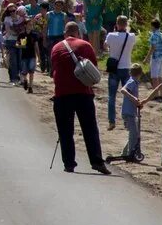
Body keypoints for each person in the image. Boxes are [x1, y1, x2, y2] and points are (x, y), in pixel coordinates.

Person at [49, 22, 109, 175]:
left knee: (65, 131)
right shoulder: (85, 45)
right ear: (78, 33)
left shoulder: (56, 48)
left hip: (62, 94)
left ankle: (69, 163)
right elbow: (93, 67)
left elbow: (53, 70)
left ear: (65, 33)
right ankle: (96, 161)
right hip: (83, 93)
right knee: (90, 129)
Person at [103, 15, 135, 131]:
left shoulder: (111, 35)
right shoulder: (131, 36)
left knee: (112, 96)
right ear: (126, 24)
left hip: (114, 68)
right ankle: (127, 120)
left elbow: (105, 46)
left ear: (116, 24)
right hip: (126, 67)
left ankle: (112, 121)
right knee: (127, 95)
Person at [118, 63, 144, 162]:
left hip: (131, 112)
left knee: (134, 134)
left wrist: (137, 103)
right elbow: (123, 90)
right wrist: (134, 99)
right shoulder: (132, 81)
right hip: (128, 113)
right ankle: (130, 154)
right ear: (140, 74)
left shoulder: (134, 82)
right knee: (134, 134)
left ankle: (126, 153)